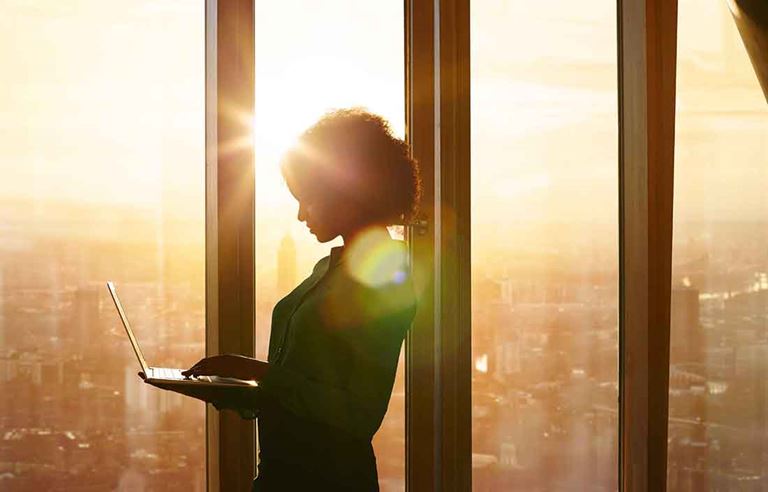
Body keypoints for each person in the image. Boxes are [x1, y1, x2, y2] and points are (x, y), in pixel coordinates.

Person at [182, 108, 421, 491]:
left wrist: (256, 373)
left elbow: (359, 413)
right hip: (285, 474)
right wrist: (235, 388)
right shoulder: (329, 269)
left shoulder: (384, 280)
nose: (300, 215)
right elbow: (305, 382)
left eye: (307, 199)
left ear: (346, 192)